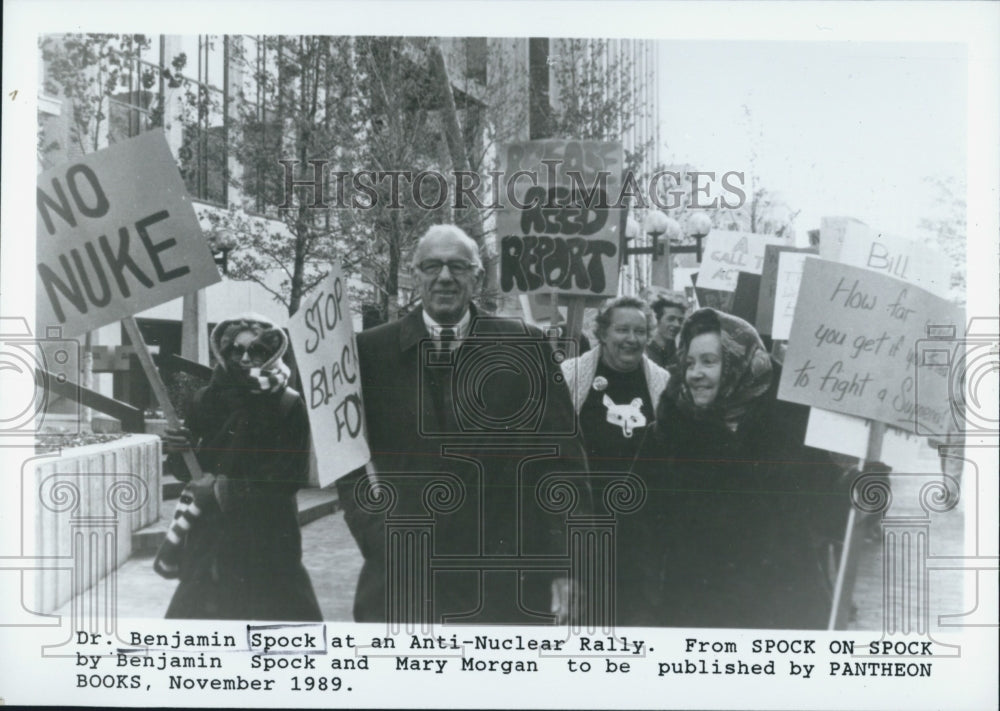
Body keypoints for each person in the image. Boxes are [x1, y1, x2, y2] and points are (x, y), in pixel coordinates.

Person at [336, 225, 589, 624]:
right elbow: (347, 461)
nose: (444, 277)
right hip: (402, 578)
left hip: (503, 581)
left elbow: (561, 464)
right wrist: (377, 536)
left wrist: (565, 564)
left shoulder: (526, 346)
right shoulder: (369, 352)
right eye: (432, 266)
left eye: (458, 266)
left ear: (478, 276)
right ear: (415, 274)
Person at [621, 307, 847, 628]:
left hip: (782, 609)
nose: (694, 373)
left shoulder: (791, 427)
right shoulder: (667, 435)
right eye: (689, 362)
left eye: (708, 361)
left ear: (741, 362)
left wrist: (858, 487)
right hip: (696, 610)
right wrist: (643, 609)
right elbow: (637, 529)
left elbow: (830, 511)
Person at [158, 313, 322, 621]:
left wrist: (220, 489)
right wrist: (182, 448)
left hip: (268, 536)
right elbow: (186, 471)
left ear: (273, 352)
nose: (245, 357)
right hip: (210, 535)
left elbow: (289, 475)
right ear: (224, 351)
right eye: (236, 349)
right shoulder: (205, 398)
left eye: (257, 350)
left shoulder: (288, 402)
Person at [560, 296, 670, 472]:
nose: (632, 339)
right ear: (603, 334)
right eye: (622, 330)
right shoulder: (569, 375)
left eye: (640, 331)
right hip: (584, 493)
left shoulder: (664, 382)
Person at [646, 296, 686, 369]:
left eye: (680, 320)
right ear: (657, 320)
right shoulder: (646, 353)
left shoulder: (677, 354)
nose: (677, 325)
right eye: (671, 319)